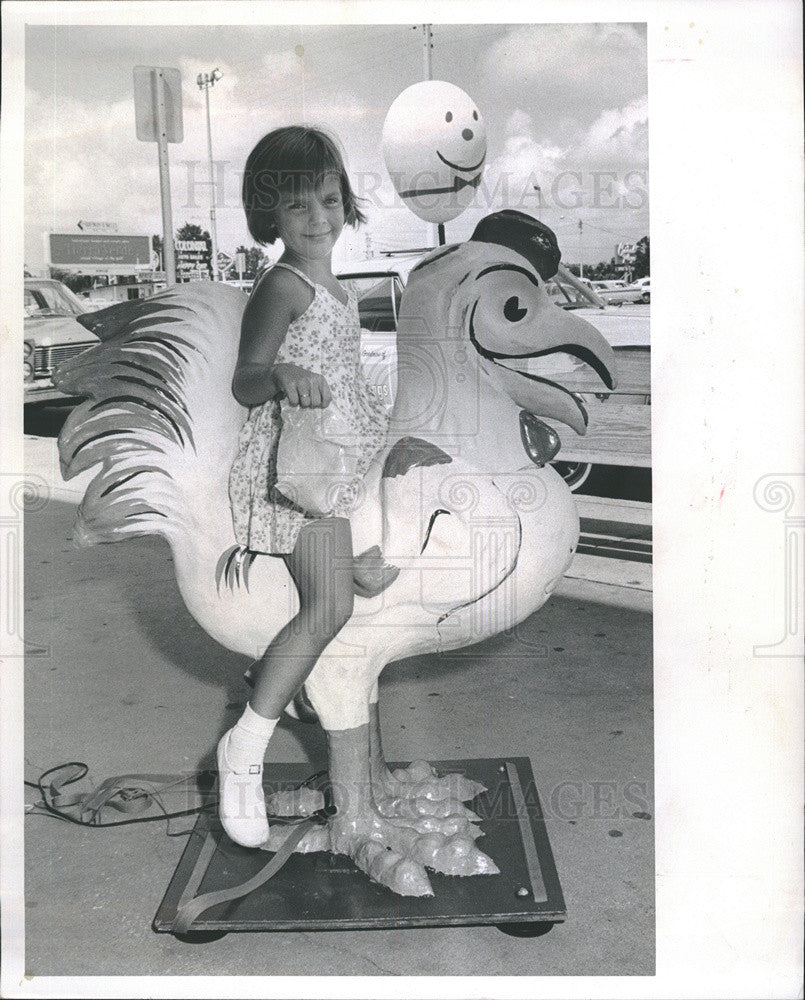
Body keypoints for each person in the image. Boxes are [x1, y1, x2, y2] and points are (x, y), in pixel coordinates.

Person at [219, 126, 397, 847]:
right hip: (297, 473)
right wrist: (280, 377)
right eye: (297, 207)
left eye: (328, 200)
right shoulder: (281, 286)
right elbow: (244, 379)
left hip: (341, 457)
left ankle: (296, 684)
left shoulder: (336, 287)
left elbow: (348, 377)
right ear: (270, 218)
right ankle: (244, 748)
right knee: (329, 605)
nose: (318, 219)